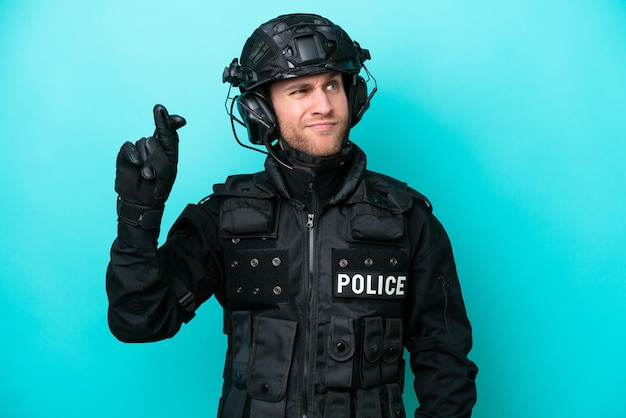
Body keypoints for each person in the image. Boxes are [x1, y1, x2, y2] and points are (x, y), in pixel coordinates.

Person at [107, 13, 478, 418]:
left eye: (333, 85)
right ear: (261, 110)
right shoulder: (225, 218)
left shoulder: (408, 220)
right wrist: (138, 214)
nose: (324, 106)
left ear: (353, 96)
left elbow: (446, 367)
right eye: (300, 90)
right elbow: (139, 322)